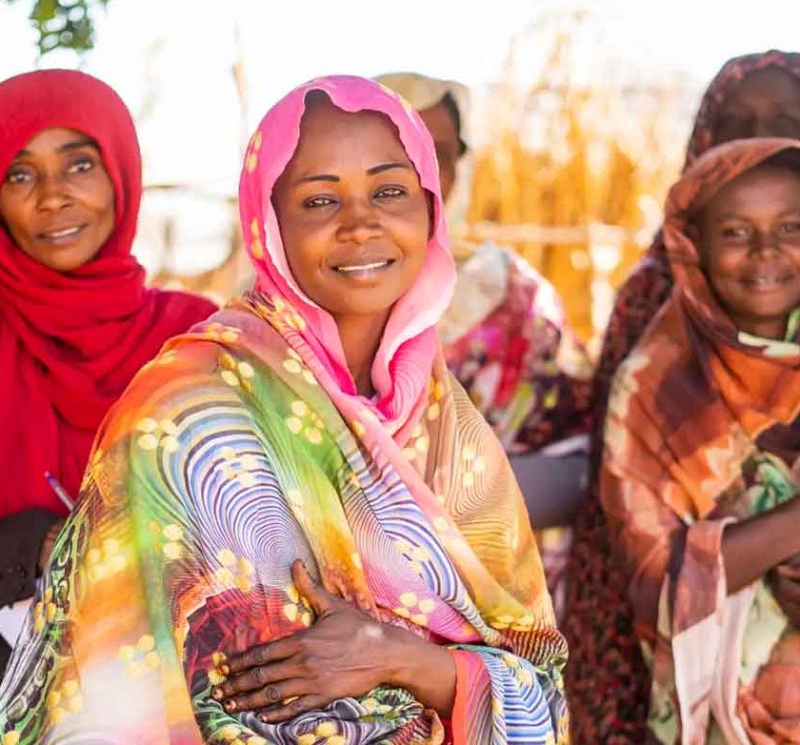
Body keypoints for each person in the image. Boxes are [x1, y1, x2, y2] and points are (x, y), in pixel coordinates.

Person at [0, 76, 569, 744]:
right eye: (319, 200)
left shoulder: (453, 433)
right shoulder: (191, 406)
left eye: (389, 190)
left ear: (430, 208)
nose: (361, 223)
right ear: (269, 227)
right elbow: (120, 688)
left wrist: (405, 661)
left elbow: (544, 688)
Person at [564, 48, 800, 743]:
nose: (763, 251)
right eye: (737, 120)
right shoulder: (655, 333)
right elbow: (633, 532)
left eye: (784, 118)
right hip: (680, 663)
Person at [0, 69, 217, 675]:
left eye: (79, 165)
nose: (53, 197)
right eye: (19, 174)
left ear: (120, 174)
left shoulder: (196, 341)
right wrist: (34, 544)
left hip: (185, 686)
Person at [376, 73, 593, 617]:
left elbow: (578, 462)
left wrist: (461, 503)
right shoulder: (289, 301)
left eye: (437, 154)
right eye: (392, 154)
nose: (416, 175)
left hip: (489, 596)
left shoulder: (512, 296)